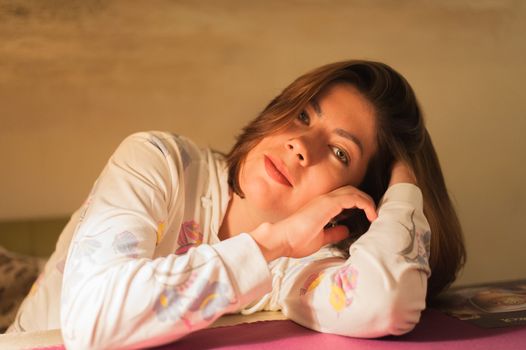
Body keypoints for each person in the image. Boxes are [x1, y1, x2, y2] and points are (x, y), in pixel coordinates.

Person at [8, 60, 466, 349]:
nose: (302, 145)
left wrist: (404, 182)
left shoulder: (306, 264)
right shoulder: (159, 160)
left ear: (357, 199)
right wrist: (269, 244)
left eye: (341, 152)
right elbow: (93, 322)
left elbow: (385, 302)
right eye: (303, 114)